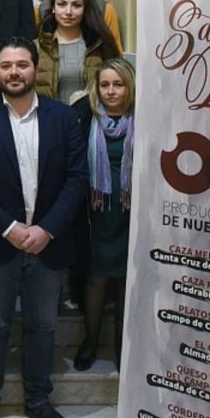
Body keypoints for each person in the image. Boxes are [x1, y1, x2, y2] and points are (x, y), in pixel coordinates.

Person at [0, 37, 88, 418]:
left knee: (43, 327)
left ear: (36, 69)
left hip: (48, 244)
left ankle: (39, 401)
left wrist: (45, 229)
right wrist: (10, 228)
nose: (15, 72)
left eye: (23, 65)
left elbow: (77, 178)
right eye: (7, 65)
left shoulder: (63, 117)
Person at [71, 58, 135, 372]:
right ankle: (91, 339)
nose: (111, 91)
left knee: (126, 279)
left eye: (118, 84)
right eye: (105, 84)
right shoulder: (85, 116)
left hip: (130, 210)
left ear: (130, 86)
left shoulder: (144, 118)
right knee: (95, 278)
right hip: (95, 211)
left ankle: (124, 345)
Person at [34, 0, 121, 103]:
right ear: (53, 7)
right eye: (62, 4)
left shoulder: (99, 44)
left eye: (76, 5)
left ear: (85, 9)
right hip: (50, 120)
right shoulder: (38, 46)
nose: (68, 12)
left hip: (92, 119)